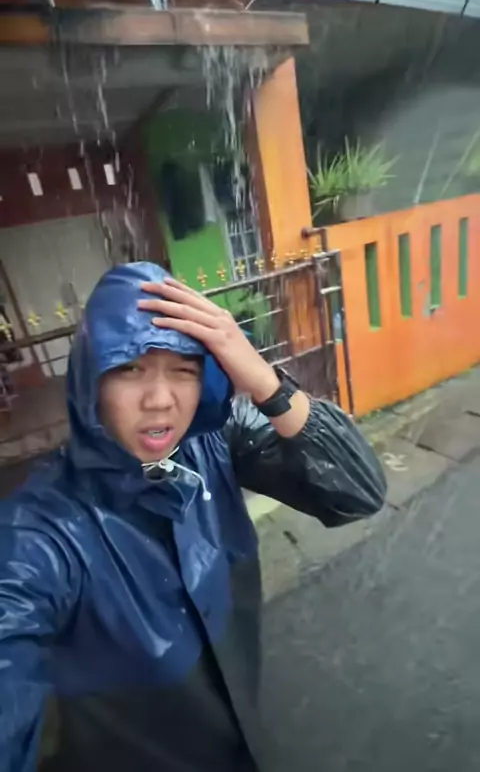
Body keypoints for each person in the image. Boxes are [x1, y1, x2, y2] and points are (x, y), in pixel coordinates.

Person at [0, 261, 386, 772]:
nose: (160, 400)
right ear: (91, 379)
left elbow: (357, 492)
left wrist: (267, 383)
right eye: (130, 369)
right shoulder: (42, 532)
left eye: (183, 370)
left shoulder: (214, 441)